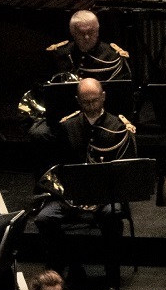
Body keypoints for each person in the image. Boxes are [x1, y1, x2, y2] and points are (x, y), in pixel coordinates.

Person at [36, 75, 141, 275]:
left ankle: (112, 275)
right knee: (44, 218)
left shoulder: (119, 127)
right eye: (85, 102)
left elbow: (127, 171)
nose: (91, 105)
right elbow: (58, 166)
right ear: (78, 101)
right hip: (72, 195)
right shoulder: (68, 126)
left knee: (112, 215)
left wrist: (102, 196)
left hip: (107, 195)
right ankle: (65, 266)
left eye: (94, 100)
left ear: (103, 97)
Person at [46, 8, 132, 85]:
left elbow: (121, 91)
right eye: (81, 33)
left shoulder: (112, 56)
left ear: (98, 31)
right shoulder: (60, 53)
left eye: (91, 32)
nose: (86, 37)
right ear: (72, 33)